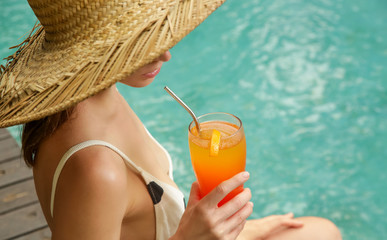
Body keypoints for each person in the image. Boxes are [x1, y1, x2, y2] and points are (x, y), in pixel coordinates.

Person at [0, 0, 341, 239]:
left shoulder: (87, 98)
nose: (165, 53)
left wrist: (235, 229)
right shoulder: (95, 169)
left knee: (319, 232)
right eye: (139, 41)